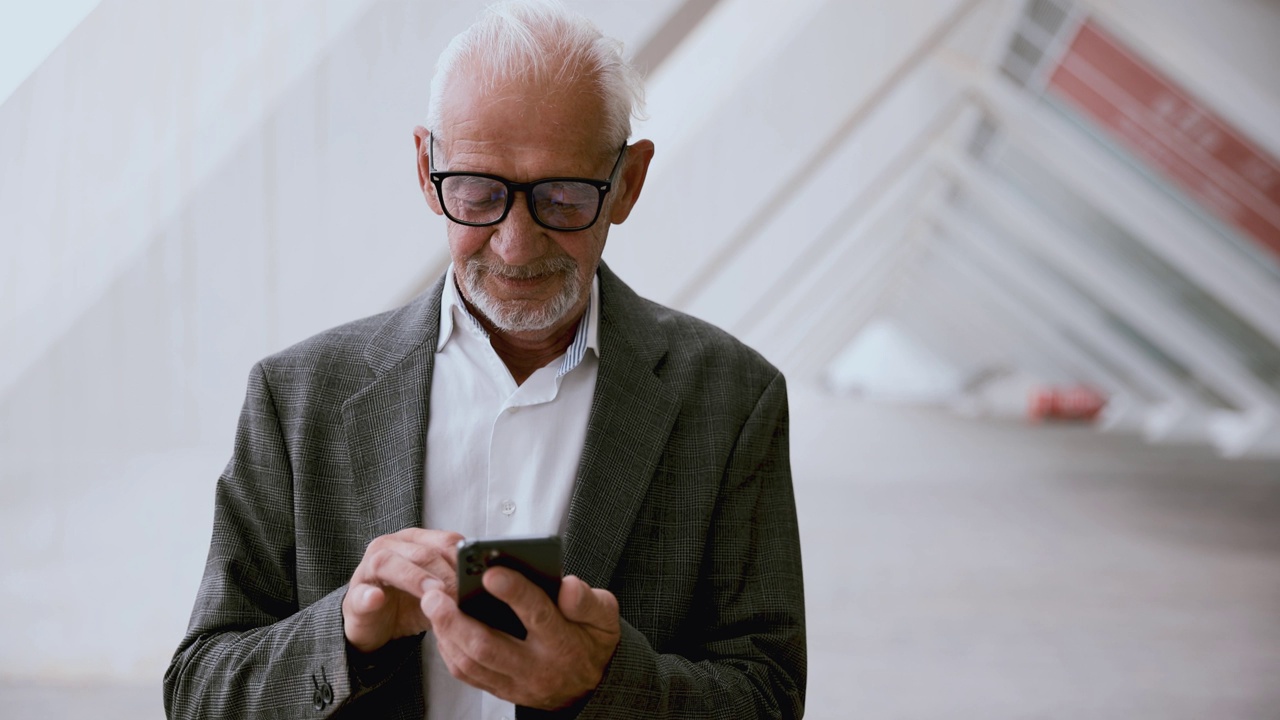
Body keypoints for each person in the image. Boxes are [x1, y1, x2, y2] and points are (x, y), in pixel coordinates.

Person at [163, 1, 805, 717]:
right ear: (424, 167)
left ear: (626, 183)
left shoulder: (733, 400)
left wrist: (602, 684)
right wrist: (345, 634)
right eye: (478, 193)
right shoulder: (297, 398)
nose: (515, 245)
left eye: (561, 197)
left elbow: (768, 697)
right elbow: (198, 692)